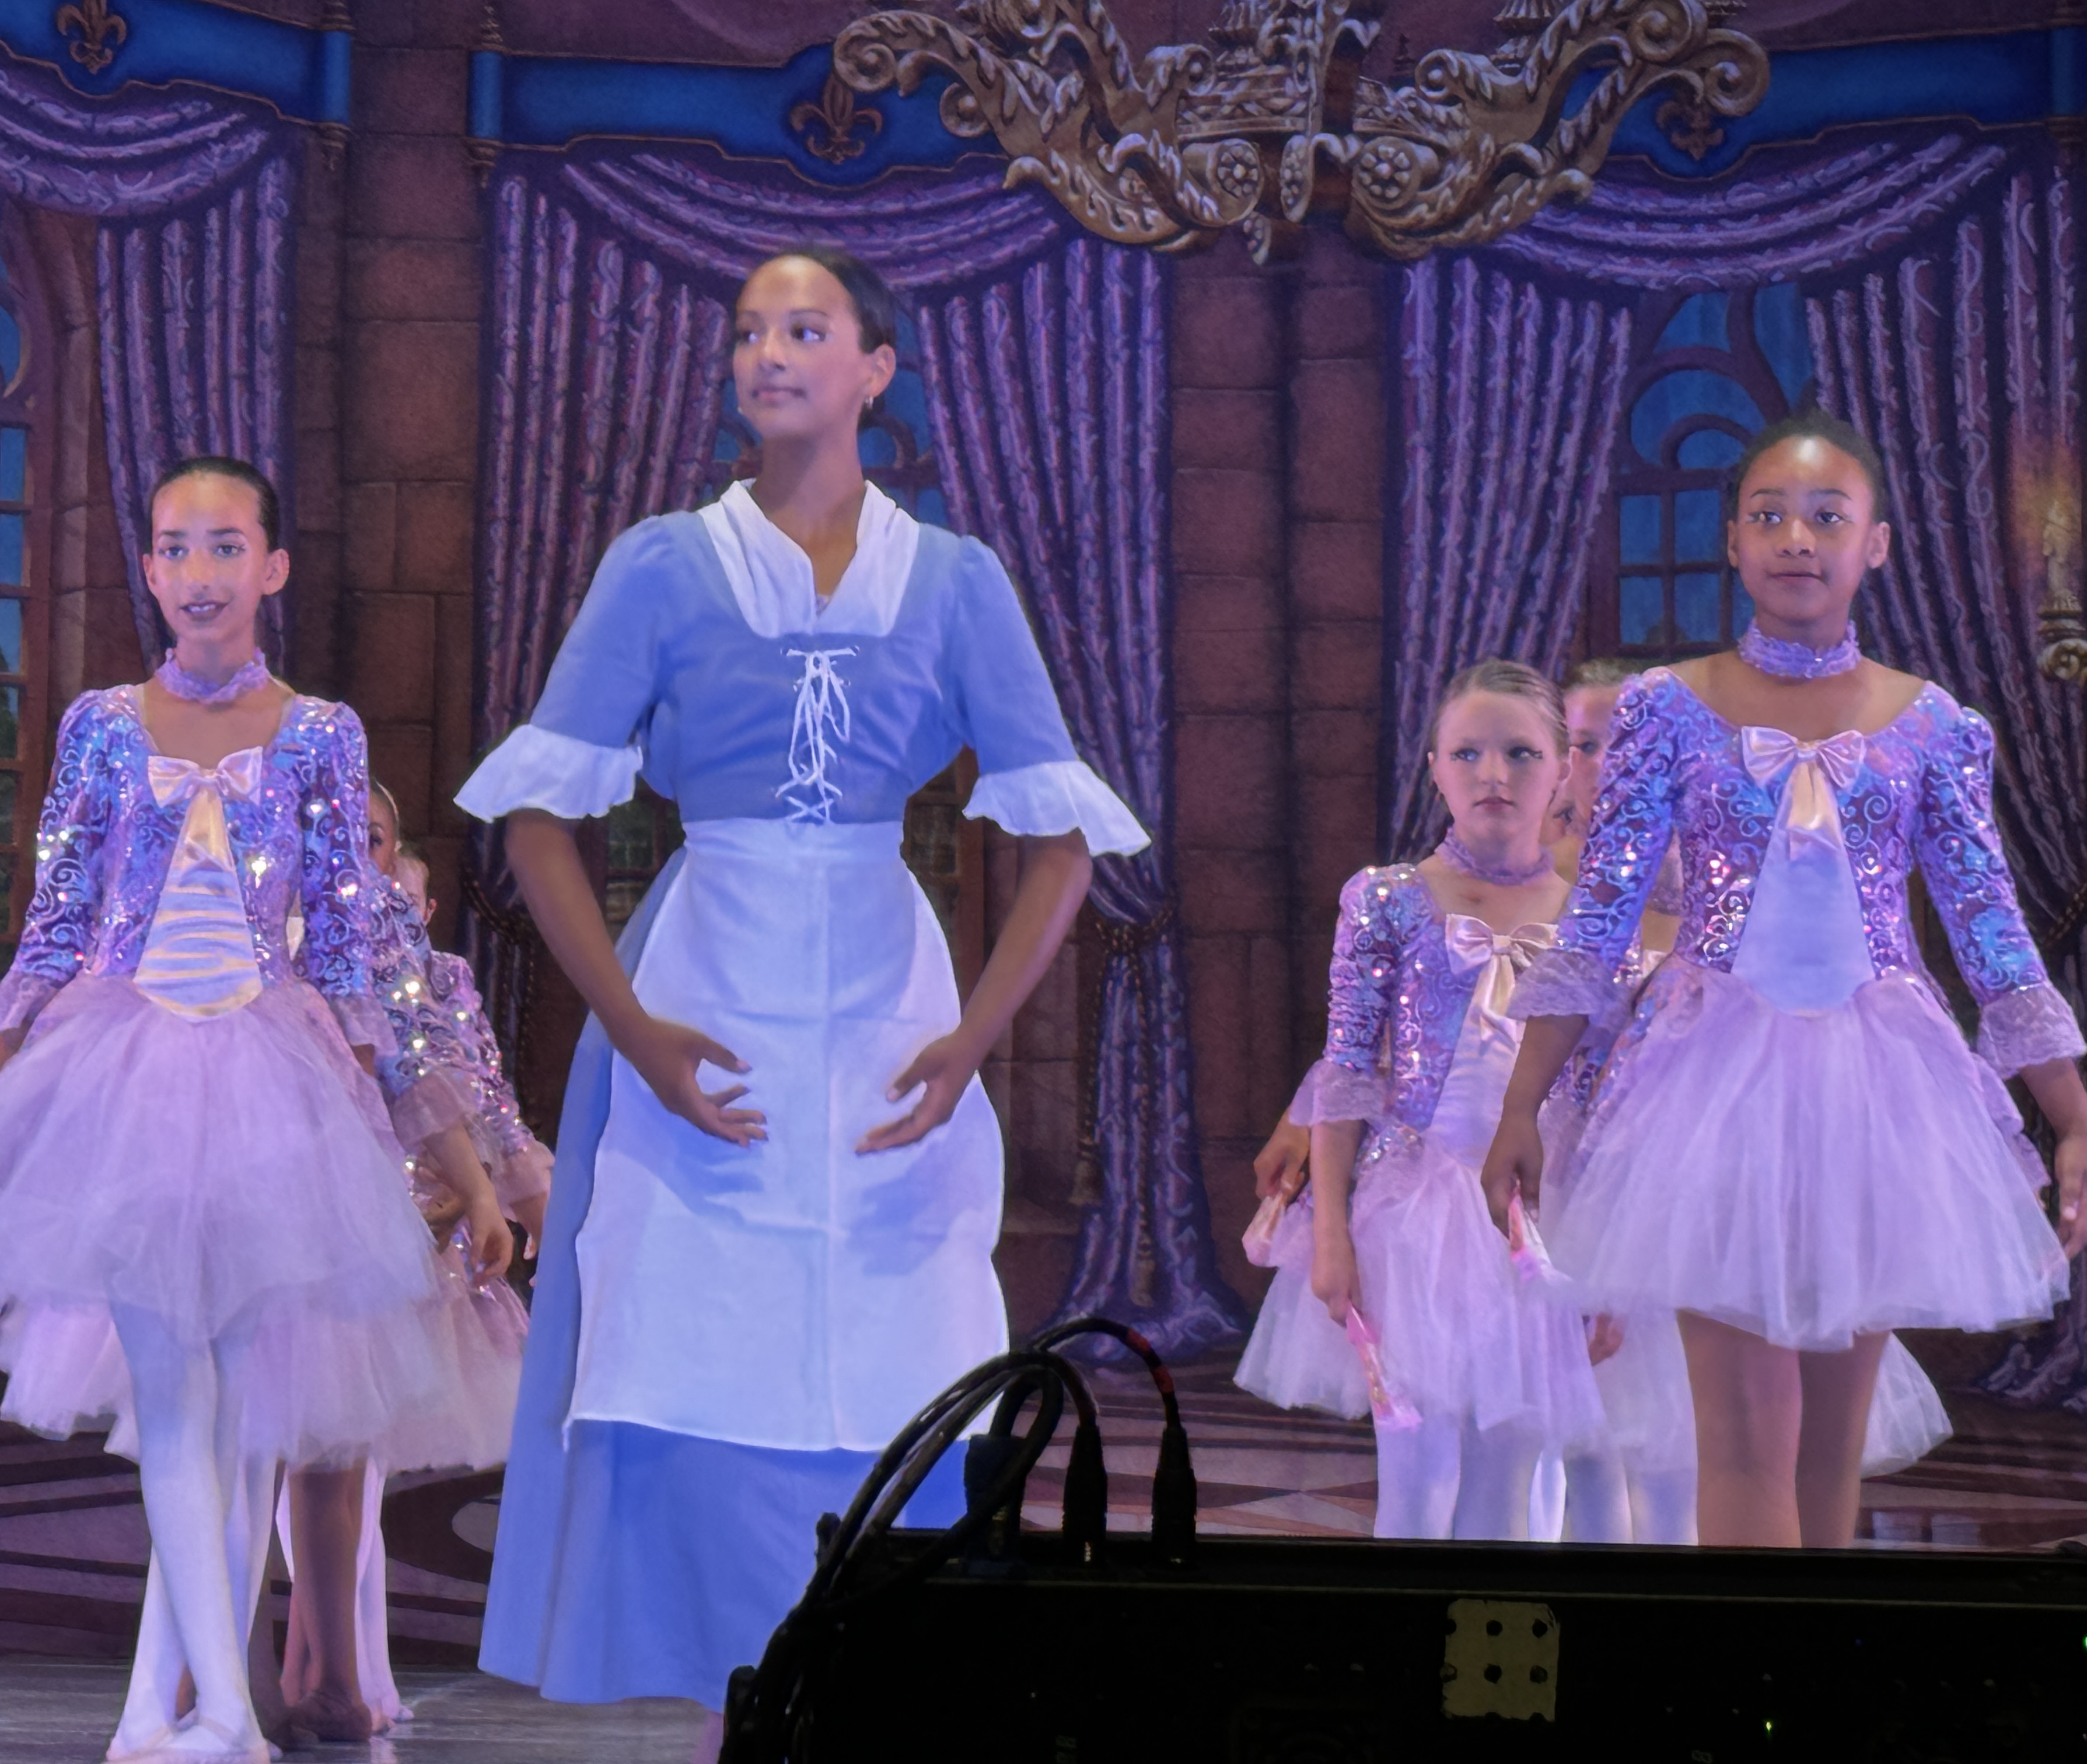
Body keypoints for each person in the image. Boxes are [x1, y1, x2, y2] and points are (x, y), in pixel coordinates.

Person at [460, 244, 1145, 1758]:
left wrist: (972, 1042)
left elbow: (1064, 841)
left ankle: (866, 1702)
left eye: (806, 328)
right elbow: (536, 819)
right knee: (693, 1323)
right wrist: (634, 1034)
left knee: (903, 1348)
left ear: (875, 370)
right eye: (750, 330)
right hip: (703, 977)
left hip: (884, 1000)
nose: (769, 352)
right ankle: (741, 1713)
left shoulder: (954, 582)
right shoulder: (660, 566)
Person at [0, 457, 512, 1762]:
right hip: (125, 1077)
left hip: (276, 1086)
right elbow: (56, 921)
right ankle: (216, 1711)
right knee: (176, 1405)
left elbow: (355, 952)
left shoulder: (322, 733)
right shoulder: (102, 725)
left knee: (240, 1415)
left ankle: (185, 1716)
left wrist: (451, 1146)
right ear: (152, 570)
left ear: (272, 567)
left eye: (226, 546)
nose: (199, 572)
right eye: (176, 547)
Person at [1483, 412, 2087, 1548]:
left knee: (1828, 1448)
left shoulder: (1934, 727)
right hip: (1712, 1089)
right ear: (1733, 543)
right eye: (1768, 516)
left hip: (1882, 1095)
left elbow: (1993, 935)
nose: (1796, 538)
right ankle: (1752, 1656)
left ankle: (1823, 1658)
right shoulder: (1668, 708)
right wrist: (1521, 1105)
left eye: (1826, 516)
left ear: (1877, 545)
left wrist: (2074, 1115)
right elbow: (1600, 920)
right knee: (1745, 1437)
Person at [1234, 661, 1604, 1541]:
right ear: (1434, 767)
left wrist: (1607, 1262)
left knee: (1513, 1481)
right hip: (1414, 1219)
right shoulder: (1388, 900)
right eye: (1467, 753)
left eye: (1521, 753)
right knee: (1418, 1476)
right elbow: (1346, 1071)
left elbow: (1598, 1095)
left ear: (1561, 770)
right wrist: (1332, 1233)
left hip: (1540, 1223)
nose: (1493, 773)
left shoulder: (1591, 916)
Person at [273, 783, 546, 1740]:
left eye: (377, 838)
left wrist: (490, 1192)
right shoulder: (260, 929)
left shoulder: (401, 956)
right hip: (279, 1200)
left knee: (343, 1451)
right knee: (271, 1449)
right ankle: (260, 1678)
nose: (360, 851)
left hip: (394, 1216)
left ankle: (336, 1675)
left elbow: (448, 1079)